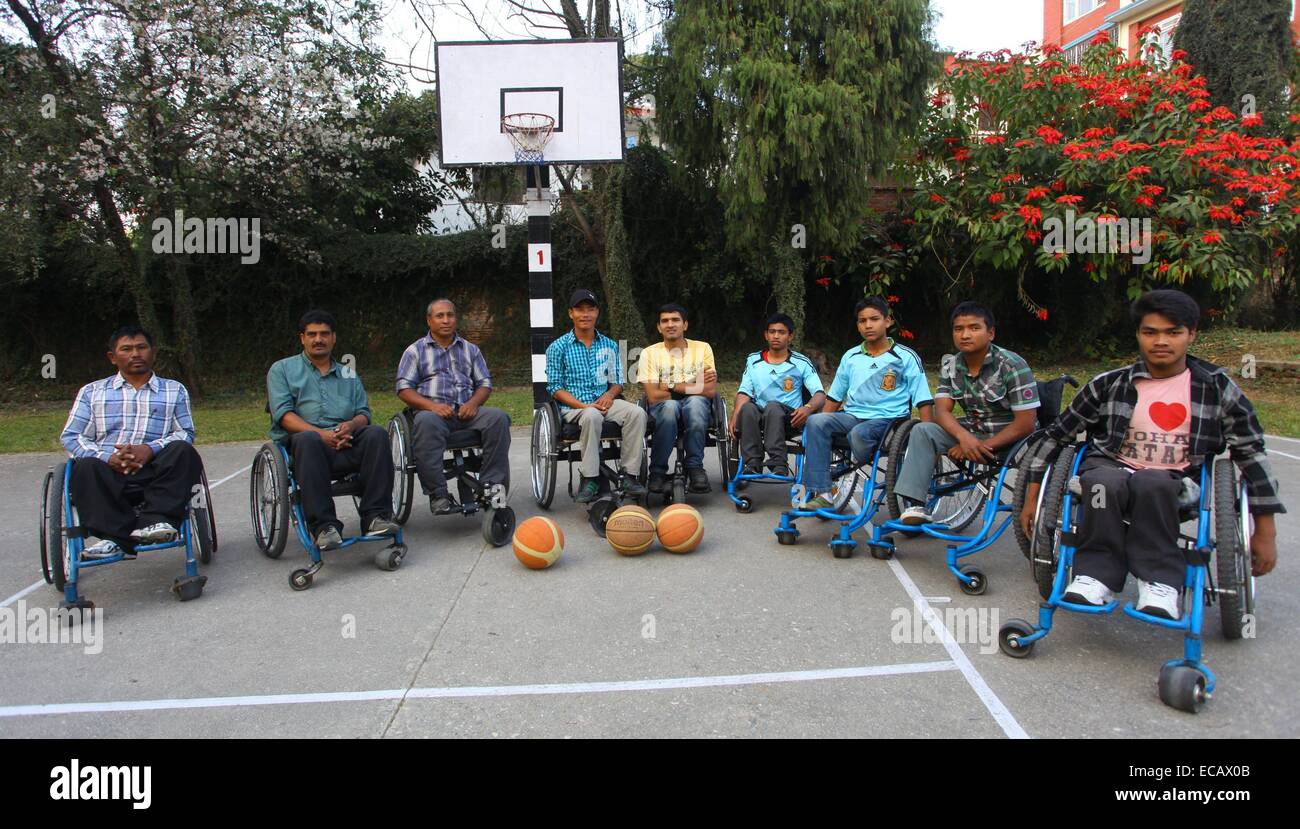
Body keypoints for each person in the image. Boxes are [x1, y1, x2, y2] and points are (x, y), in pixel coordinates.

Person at [1020, 289, 1282, 620]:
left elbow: (1251, 453)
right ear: (1138, 335)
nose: (1161, 341)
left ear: (1191, 334)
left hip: (1175, 480)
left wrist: (1265, 531)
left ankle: (1160, 582)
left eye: (1173, 332)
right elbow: (1056, 436)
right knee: (1101, 483)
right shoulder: (1110, 384)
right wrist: (1032, 500)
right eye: (1150, 332)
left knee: (1152, 484)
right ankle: (1094, 576)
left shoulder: (1216, 387)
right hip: (1110, 470)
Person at [60, 326, 201, 560]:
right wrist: (109, 457)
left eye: (141, 348)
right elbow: (72, 436)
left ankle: (156, 522)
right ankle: (113, 537)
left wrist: (149, 449)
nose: (135, 354)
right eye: (126, 349)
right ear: (113, 357)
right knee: (84, 466)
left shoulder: (174, 390)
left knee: (183, 451)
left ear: (153, 352)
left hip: (155, 469)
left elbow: (185, 432)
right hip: (107, 470)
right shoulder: (92, 392)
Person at [894, 302, 1040, 524]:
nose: (965, 335)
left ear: (990, 333)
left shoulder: (1012, 365)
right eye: (958, 329)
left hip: (1012, 440)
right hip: (972, 432)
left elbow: (1026, 423)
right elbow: (942, 411)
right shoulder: (951, 365)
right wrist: (965, 439)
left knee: (1039, 452)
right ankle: (915, 504)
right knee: (923, 430)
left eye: (974, 328)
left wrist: (981, 446)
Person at [267, 310, 398, 550]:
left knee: (376, 433)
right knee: (307, 439)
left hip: (346, 439)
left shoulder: (348, 372)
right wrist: (322, 434)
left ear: (334, 338)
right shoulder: (282, 370)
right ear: (302, 338)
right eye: (312, 334)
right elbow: (284, 416)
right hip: (307, 445)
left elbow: (363, 413)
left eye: (324, 334)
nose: (319, 339)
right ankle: (324, 527)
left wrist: (350, 425)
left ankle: (376, 517)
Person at [798, 297, 934, 510]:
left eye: (874, 319)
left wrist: (928, 438)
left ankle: (862, 460)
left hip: (890, 420)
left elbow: (923, 399)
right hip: (852, 416)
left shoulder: (905, 357)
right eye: (863, 321)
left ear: (887, 321)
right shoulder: (851, 357)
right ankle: (823, 492)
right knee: (816, 422)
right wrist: (823, 423)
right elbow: (834, 398)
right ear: (858, 325)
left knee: (859, 434)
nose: (868, 325)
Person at [396, 298, 511, 515]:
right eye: (440, 316)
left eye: (450, 315)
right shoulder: (415, 351)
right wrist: (432, 407)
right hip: (433, 413)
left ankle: (492, 488)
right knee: (425, 421)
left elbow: (484, 383)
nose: (446, 320)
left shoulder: (470, 350)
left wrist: (473, 403)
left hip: (467, 411)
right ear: (429, 320)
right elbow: (404, 388)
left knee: (498, 418)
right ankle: (438, 494)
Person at [544, 289, 647, 503]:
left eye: (590, 309)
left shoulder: (609, 345)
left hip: (604, 402)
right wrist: (583, 405)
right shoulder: (558, 347)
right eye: (580, 310)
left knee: (637, 412)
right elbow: (555, 387)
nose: (585, 314)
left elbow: (618, 381)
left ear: (597, 313)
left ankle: (629, 475)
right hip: (574, 407)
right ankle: (589, 478)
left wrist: (610, 395)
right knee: (591, 415)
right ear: (571, 313)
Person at [728, 313, 826, 478]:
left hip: (790, 418)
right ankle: (752, 463)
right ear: (766, 335)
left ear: (790, 336)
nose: (776, 336)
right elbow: (744, 390)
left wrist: (808, 408)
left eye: (781, 332)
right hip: (759, 414)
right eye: (772, 332)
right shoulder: (753, 360)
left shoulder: (801, 362)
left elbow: (819, 394)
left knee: (773, 407)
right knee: (747, 409)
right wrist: (735, 415)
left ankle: (778, 462)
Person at [637, 303, 718, 493]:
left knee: (697, 404)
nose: (670, 324)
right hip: (663, 407)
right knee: (669, 407)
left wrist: (671, 385)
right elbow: (653, 395)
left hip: (697, 403)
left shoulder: (702, 348)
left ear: (685, 325)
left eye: (675, 320)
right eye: (665, 321)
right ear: (659, 327)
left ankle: (695, 467)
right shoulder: (649, 353)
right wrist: (692, 383)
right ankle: (657, 471)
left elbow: (708, 390)